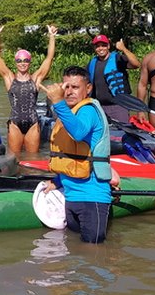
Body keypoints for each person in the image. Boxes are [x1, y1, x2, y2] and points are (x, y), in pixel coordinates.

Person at [38, 66, 118, 244]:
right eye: (65, 87)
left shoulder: (88, 110)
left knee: (93, 252)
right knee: (75, 251)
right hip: (70, 197)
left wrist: (58, 102)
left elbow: (79, 132)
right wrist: (57, 181)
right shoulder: (67, 113)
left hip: (92, 198)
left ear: (88, 89)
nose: (69, 92)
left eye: (75, 87)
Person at [0, 24, 57, 154]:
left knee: (32, 157)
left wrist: (52, 36)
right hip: (15, 123)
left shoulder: (36, 79)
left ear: (29, 62)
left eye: (26, 60)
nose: (23, 63)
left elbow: (49, 58)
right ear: (16, 62)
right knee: (14, 158)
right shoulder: (10, 78)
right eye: (20, 60)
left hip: (33, 123)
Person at [86, 34, 141, 123]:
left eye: (103, 45)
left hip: (119, 106)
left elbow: (136, 64)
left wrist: (124, 49)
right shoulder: (92, 63)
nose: (100, 48)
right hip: (100, 107)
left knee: (122, 134)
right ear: (95, 48)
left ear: (108, 46)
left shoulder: (117, 58)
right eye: (97, 46)